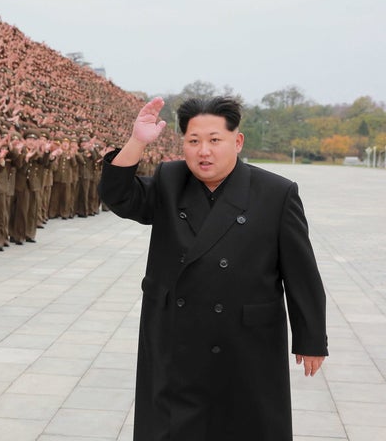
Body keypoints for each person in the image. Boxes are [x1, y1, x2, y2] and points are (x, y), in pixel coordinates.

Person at [98, 96, 328, 441]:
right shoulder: (169, 180)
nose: (203, 151)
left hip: (245, 341)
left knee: (244, 426)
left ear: (237, 141)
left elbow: (301, 271)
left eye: (214, 140)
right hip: (176, 338)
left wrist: (310, 338)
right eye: (193, 141)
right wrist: (137, 142)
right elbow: (117, 196)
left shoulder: (276, 192)